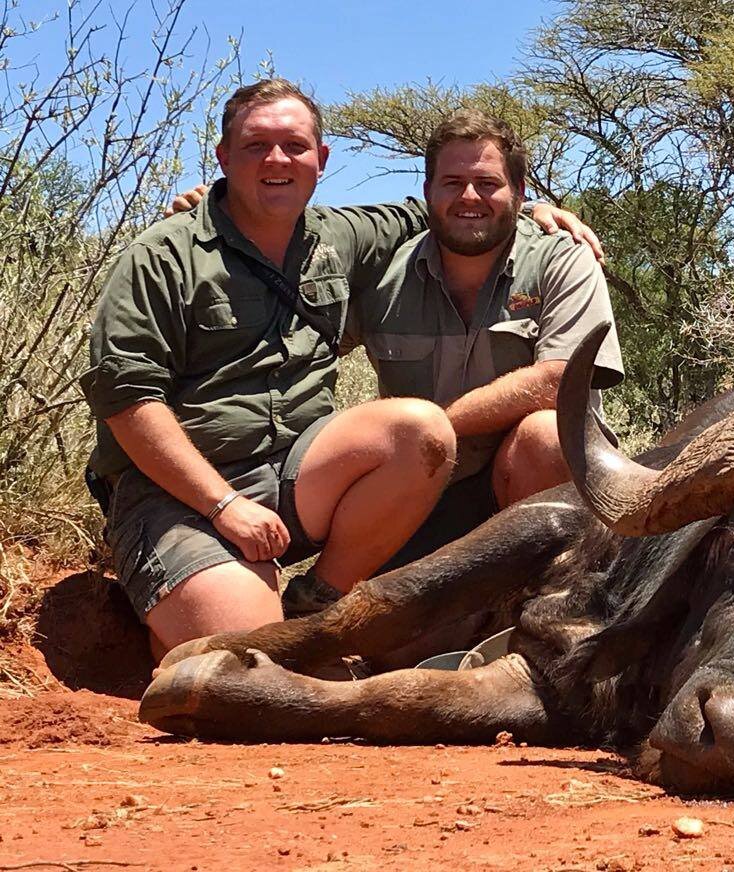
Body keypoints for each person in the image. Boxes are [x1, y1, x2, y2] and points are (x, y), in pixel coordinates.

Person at [79, 79, 595, 660]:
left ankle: (323, 599)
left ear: (320, 161)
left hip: (296, 477)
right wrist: (224, 506)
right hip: (186, 492)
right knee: (250, 658)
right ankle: (178, 602)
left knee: (421, 430)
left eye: (295, 146)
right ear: (223, 158)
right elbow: (128, 403)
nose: (277, 160)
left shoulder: (343, 237)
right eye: (255, 147)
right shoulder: (162, 254)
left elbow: (450, 208)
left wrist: (532, 209)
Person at [336, 109, 624, 582]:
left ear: (521, 192)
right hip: (420, 494)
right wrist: (222, 221)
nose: (469, 197)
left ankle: (554, 603)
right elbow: (300, 346)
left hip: (531, 485)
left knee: (547, 435)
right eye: (451, 183)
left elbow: (560, 382)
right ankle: (327, 596)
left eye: (487, 183)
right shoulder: (382, 273)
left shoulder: (563, 257)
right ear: (428, 191)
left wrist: (430, 430)